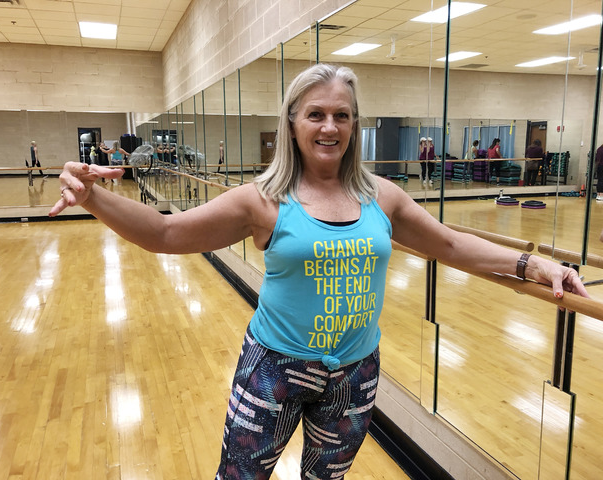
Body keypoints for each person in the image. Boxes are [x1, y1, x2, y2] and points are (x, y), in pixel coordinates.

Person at [49, 63, 587, 479]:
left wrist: (531, 264)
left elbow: (449, 244)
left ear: (353, 123)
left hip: (354, 377)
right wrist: (94, 198)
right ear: (293, 122)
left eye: (342, 115)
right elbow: (167, 234)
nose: (330, 126)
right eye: (316, 114)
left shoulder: (383, 198)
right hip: (274, 372)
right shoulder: (263, 200)